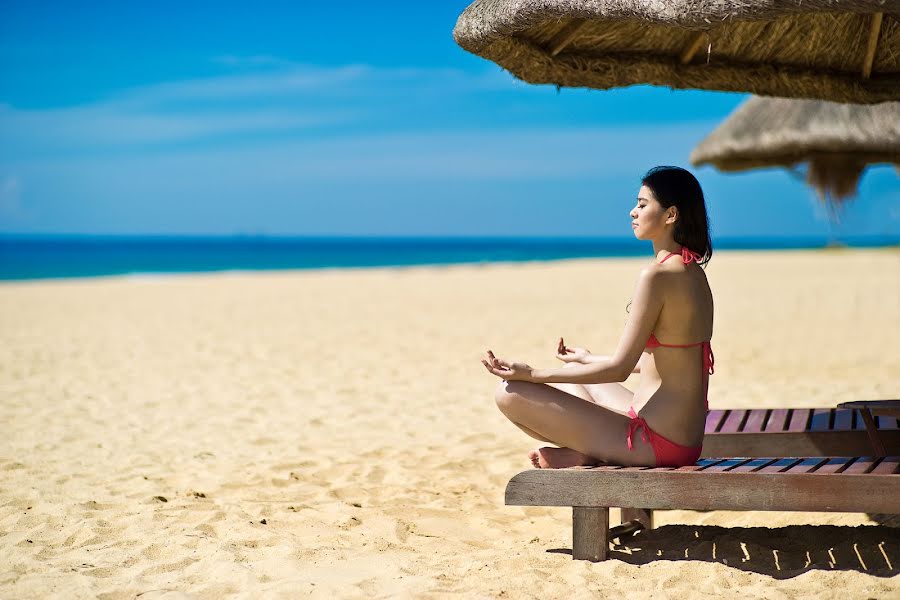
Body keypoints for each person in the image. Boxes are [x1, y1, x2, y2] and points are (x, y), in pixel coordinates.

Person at [481, 166, 714, 469]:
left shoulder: (655, 276)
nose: (633, 212)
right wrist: (588, 359)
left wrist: (532, 374)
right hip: (683, 440)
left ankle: (592, 454)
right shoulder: (692, 272)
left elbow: (619, 369)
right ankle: (589, 452)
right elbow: (669, 362)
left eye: (643, 205)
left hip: (653, 442)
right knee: (574, 380)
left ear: (671, 215)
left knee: (509, 394)